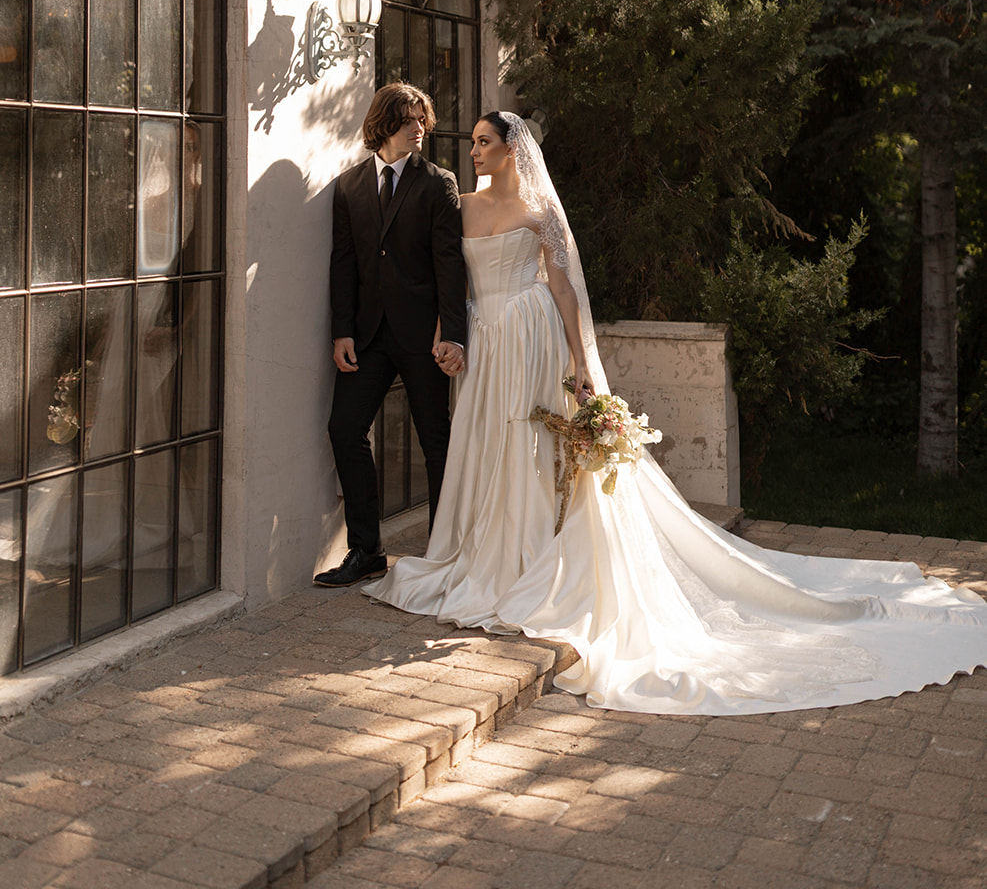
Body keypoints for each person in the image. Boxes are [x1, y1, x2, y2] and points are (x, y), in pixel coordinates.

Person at [365, 110, 987, 715]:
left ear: (511, 149)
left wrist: (584, 367)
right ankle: (479, 555)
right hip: (487, 340)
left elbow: (563, 290)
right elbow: (450, 277)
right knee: (487, 442)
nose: (472, 150)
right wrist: (452, 334)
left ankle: (530, 557)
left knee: (536, 443)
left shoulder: (540, 212)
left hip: (531, 338)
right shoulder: (462, 207)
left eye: (483, 141)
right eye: (471, 142)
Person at [315, 83, 467, 588]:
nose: (420, 128)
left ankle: (445, 552)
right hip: (368, 336)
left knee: (436, 440)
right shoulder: (349, 187)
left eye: (423, 120)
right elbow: (342, 263)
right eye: (410, 120)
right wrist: (341, 332)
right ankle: (367, 551)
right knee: (344, 427)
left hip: (423, 336)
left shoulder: (438, 184)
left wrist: (454, 336)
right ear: (385, 124)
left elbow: (450, 265)